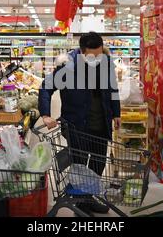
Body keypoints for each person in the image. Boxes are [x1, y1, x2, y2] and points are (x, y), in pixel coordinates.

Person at [38, 32, 121, 215]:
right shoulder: (68, 66)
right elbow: (46, 88)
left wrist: (116, 113)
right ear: (82, 52)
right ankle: (80, 205)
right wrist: (45, 114)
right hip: (77, 126)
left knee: (98, 165)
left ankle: (88, 199)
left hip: (101, 124)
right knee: (80, 167)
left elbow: (112, 88)